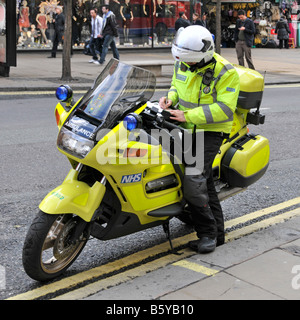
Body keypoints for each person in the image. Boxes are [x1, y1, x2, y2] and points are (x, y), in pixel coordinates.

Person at [159, 25, 240, 253]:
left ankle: (207, 234)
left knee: (195, 182)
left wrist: (188, 115)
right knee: (200, 180)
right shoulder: (183, 61)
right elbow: (177, 86)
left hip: (211, 130)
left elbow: (225, 109)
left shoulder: (226, 72)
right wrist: (169, 99)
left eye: (191, 62)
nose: (187, 65)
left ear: (204, 55)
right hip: (184, 125)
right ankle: (218, 234)